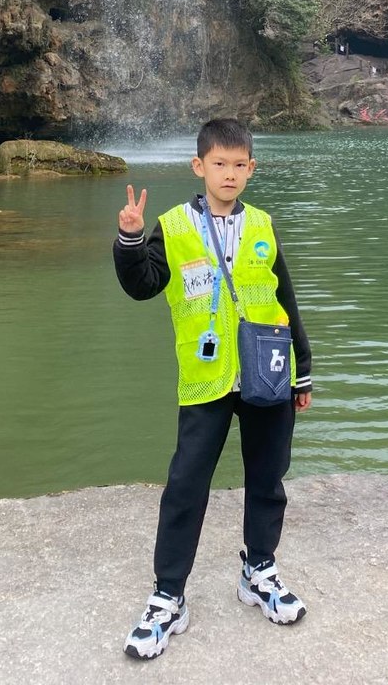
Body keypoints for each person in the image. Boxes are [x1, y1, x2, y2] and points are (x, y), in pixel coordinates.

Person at [113, 117, 313, 660]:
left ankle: (259, 570)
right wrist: (130, 239)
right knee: (186, 484)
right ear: (199, 166)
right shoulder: (174, 226)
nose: (229, 173)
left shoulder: (263, 224)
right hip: (207, 378)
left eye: (239, 164)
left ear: (251, 168)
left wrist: (303, 370)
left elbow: (285, 298)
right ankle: (168, 595)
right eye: (219, 164)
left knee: (268, 477)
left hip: (267, 370)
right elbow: (143, 285)